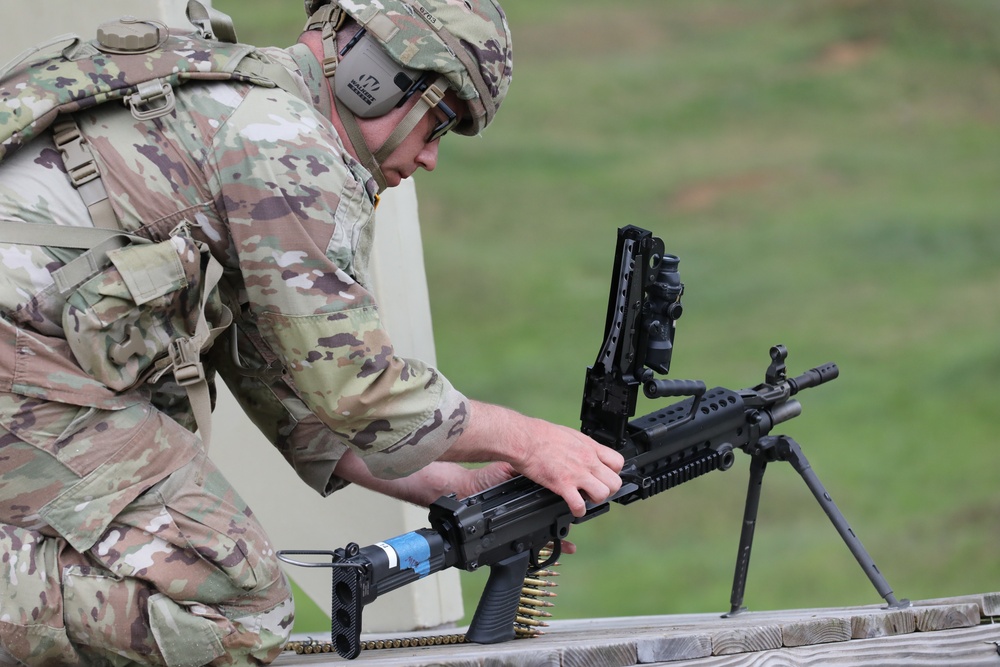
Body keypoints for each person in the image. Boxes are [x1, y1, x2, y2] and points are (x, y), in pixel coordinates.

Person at [0, 0, 624, 665]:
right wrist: (531, 441)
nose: (434, 157)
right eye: (439, 122)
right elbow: (363, 389)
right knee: (237, 606)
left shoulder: (244, 104)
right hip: (25, 354)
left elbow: (295, 393)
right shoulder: (289, 144)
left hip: (32, 359)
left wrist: (453, 484)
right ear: (376, 76)